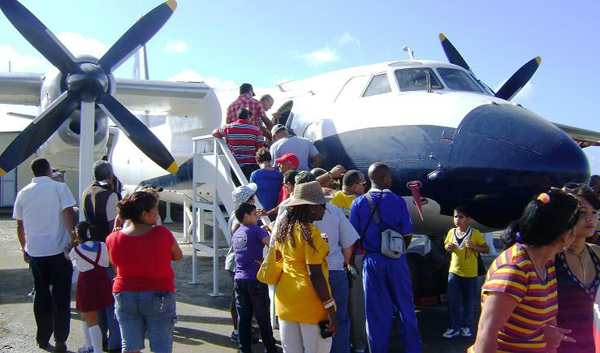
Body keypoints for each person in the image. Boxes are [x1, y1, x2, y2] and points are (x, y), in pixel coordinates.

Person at [471, 188, 580, 352]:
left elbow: (535, 319)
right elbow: (486, 332)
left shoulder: (545, 264)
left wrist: (545, 332)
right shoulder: (514, 270)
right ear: (565, 235)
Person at [349, 162, 421, 352]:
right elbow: (407, 232)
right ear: (384, 179)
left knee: (375, 313)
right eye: (389, 176)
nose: (391, 179)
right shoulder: (398, 201)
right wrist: (399, 248)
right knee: (406, 308)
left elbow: (353, 237)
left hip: (371, 260)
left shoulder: (357, 203)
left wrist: (350, 262)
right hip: (396, 259)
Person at [106, 189, 183, 353]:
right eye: (155, 208)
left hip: (125, 293)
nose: (157, 211)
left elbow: (115, 263)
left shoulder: (113, 238)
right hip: (159, 293)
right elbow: (177, 256)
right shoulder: (162, 233)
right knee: (161, 346)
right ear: (144, 214)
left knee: (129, 345)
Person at [13, 158, 77, 351]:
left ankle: (42, 338)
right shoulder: (60, 188)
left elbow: (19, 224)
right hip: (58, 250)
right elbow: (68, 213)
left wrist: (24, 247)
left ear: (33, 173)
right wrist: (72, 238)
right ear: (49, 171)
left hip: (36, 252)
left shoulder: (23, 193)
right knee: (61, 296)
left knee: (41, 295)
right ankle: (61, 339)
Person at [274, 181, 338, 352]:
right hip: (311, 303)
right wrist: (330, 309)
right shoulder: (311, 234)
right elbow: (315, 275)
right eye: (322, 205)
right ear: (311, 207)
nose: (325, 209)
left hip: (286, 300)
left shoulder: (284, 228)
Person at [81, 160, 122, 352]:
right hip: (106, 251)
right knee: (111, 300)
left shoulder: (87, 191)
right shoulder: (110, 195)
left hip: (90, 251)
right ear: (110, 175)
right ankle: (114, 342)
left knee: (98, 299)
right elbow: (112, 226)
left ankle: (99, 340)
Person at [555, 183, 600, 352]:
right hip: (559, 346)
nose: (590, 218)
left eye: (594, 212)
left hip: (594, 344)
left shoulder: (597, 253)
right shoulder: (550, 256)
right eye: (582, 212)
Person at [231, 202, 278, 353]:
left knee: (243, 318)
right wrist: (270, 229)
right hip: (255, 278)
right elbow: (273, 245)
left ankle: (244, 348)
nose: (257, 217)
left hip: (239, 279)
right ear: (246, 216)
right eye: (254, 214)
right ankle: (270, 347)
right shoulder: (256, 230)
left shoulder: (237, 232)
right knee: (262, 316)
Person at [330, 170, 368, 353]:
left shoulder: (333, 201)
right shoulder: (361, 203)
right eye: (363, 184)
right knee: (357, 304)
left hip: (336, 259)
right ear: (354, 186)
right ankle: (359, 344)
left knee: (338, 304)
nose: (365, 187)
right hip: (356, 258)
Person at [442, 205, 489, 339]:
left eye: (460, 217)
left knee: (469, 302)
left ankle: (466, 326)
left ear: (468, 219)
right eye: (455, 217)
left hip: (470, 274)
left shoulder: (475, 233)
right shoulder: (451, 232)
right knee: (452, 301)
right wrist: (447, 247)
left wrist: (474, 246)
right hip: (454, 272)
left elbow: (486, 249)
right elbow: (446, 245)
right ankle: (453, 327)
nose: (457, 219)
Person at [67, 222, 113, 353]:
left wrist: (67, 249)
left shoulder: (76, 250)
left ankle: (96, 349)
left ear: (78, 236)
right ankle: (88, 345)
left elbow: (68, 258)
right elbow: (106, 261)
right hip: (102, 279)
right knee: (85, 314)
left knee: (90, 317)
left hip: (87, 282)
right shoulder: (102, 245)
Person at [226, 183, 261, 344]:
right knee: (238, 301)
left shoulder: (241, 215)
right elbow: (236, 231)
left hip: (239, 264)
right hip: (237, 264)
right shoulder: (238, 218)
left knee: (244, 300)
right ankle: (237, 331)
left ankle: (244, 327)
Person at [213, 107, 264, 179]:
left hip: (235, 165)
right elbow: (260, 149)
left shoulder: (228, 127)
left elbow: (214, 133)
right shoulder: (256, 130)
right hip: (252, 165)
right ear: (248, 117)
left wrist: (227, 138)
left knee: (238, 188)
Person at [249, 148, 283, 220]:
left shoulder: (255, 175)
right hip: (278, 212)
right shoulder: (280, 174)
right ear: (270, 160)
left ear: (257, 161)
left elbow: (251, 195)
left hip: (263, 213)